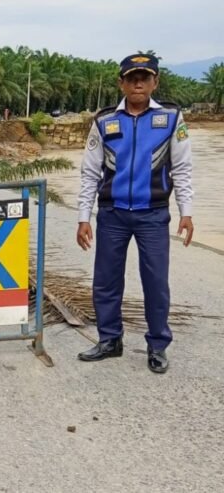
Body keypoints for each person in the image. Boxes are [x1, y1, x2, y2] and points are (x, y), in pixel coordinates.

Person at [76, 53, 193, 374]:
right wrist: (83, 217)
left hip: (153, 215)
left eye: (144, 77)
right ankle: (110, 340)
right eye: (131, 77)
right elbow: (89, 172)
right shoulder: (104, 121)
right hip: (111, 214)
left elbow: (182, 168)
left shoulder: (171, 118)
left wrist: (187, 211)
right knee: (106, 282)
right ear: (121, 83)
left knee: (155, 281)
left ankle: (157, 346)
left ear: (155, 82)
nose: (138, 83)